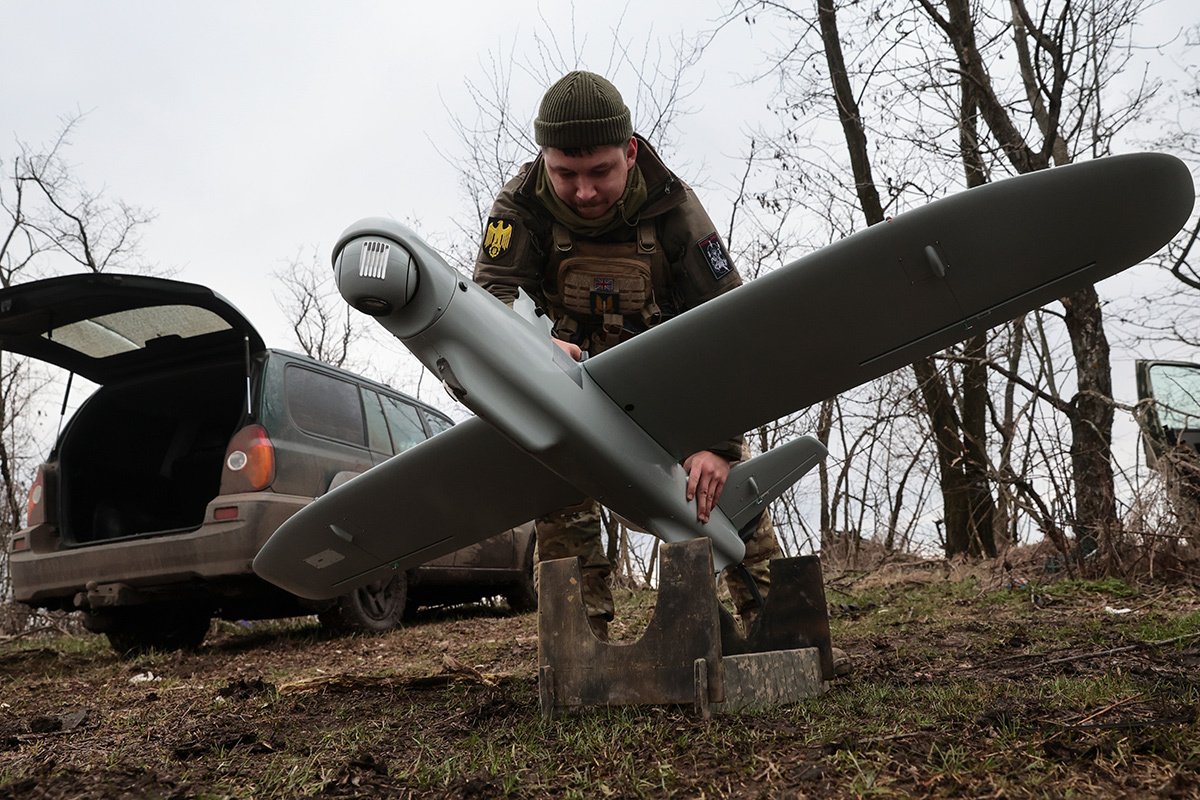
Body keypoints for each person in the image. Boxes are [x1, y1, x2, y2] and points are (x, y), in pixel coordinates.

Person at [473, 70, 781, 641]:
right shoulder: (520, 206)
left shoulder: (673, 208)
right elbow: (490, 297)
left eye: (600, 172)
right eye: (565, 174)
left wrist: (718, 445)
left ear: (630, 152)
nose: (584, 192)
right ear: (544, 159)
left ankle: (778, 629)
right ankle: (579, 654)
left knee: (726, 499)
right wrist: (529, 344)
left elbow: (734, 325)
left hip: (668, 389)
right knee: (561, 509)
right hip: (569, 390)